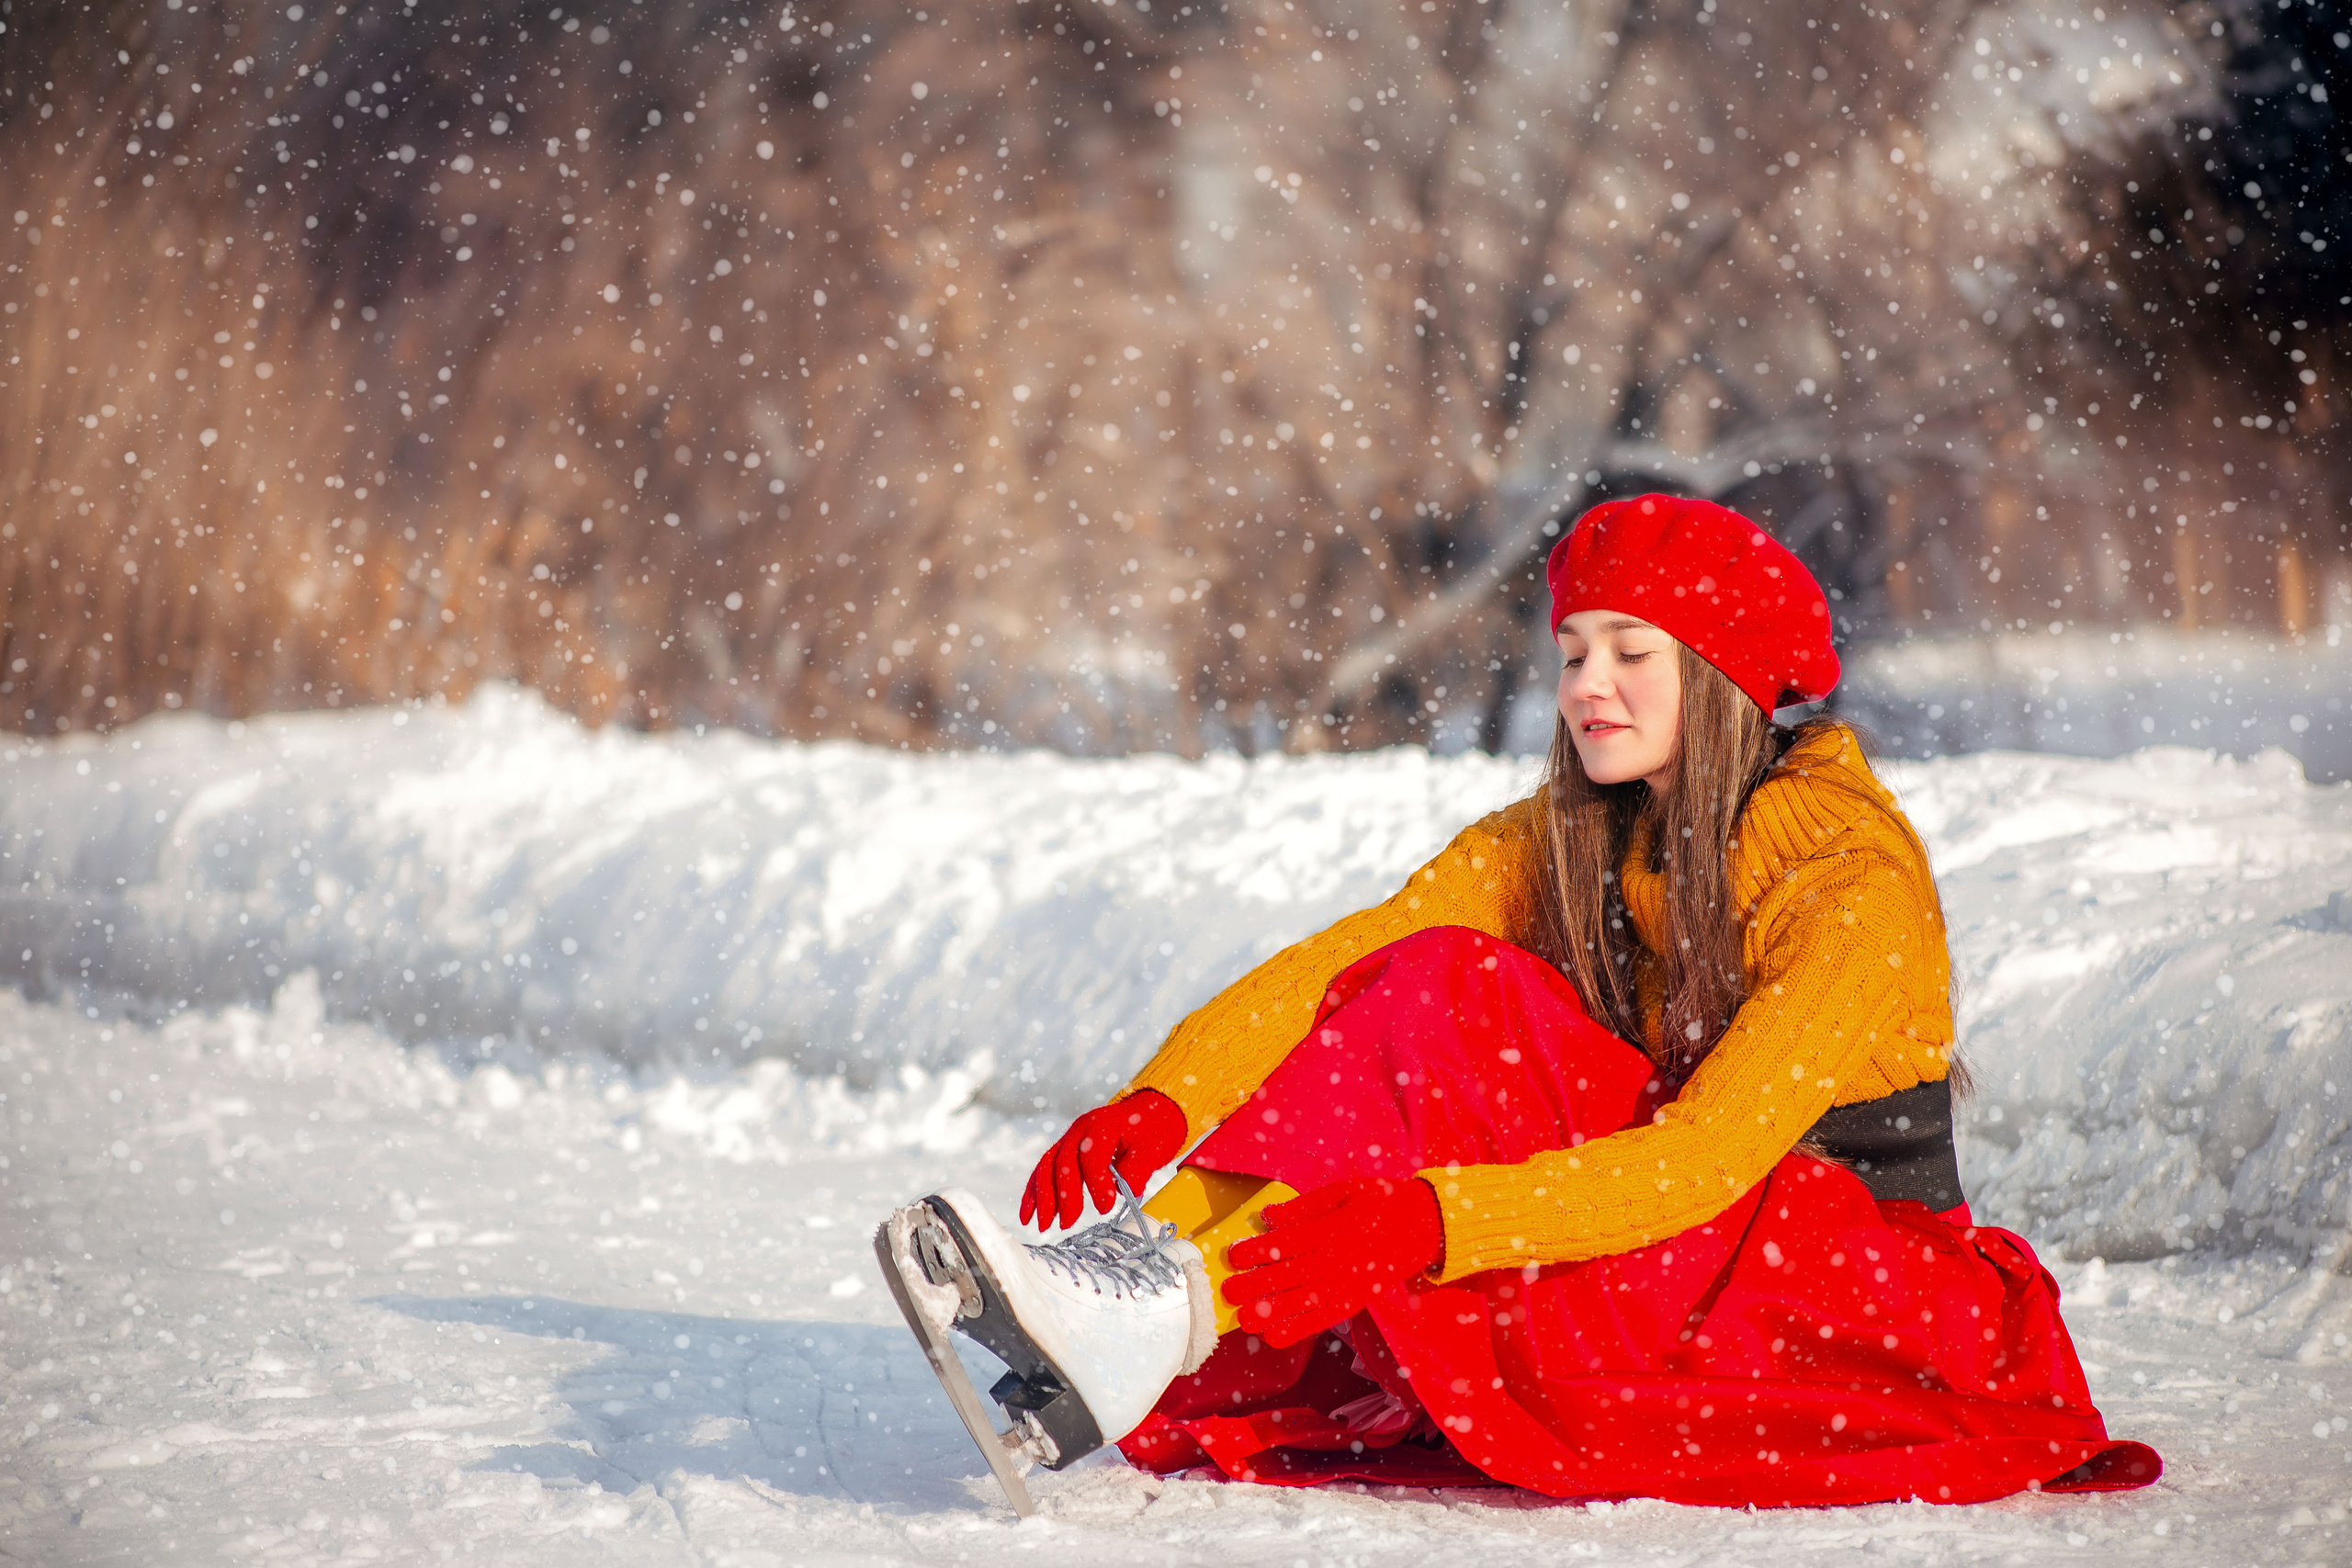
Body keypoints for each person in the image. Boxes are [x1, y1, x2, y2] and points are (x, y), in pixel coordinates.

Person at [878, 493, 2158, 1511]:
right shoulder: (1575, 838)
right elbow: (1358, 965)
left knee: (1456, 1014)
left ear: (1721, 672)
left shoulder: (1846, 874)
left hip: (1865, 1305)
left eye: (1631, 651)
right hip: (1710, 1265)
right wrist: (1171, 1092)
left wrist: (1425, 1222)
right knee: (1420, 996)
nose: (1587, 684)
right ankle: (1145, 1294)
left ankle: (1150, 1310)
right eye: (1572, 650)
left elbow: (1707, 1157)